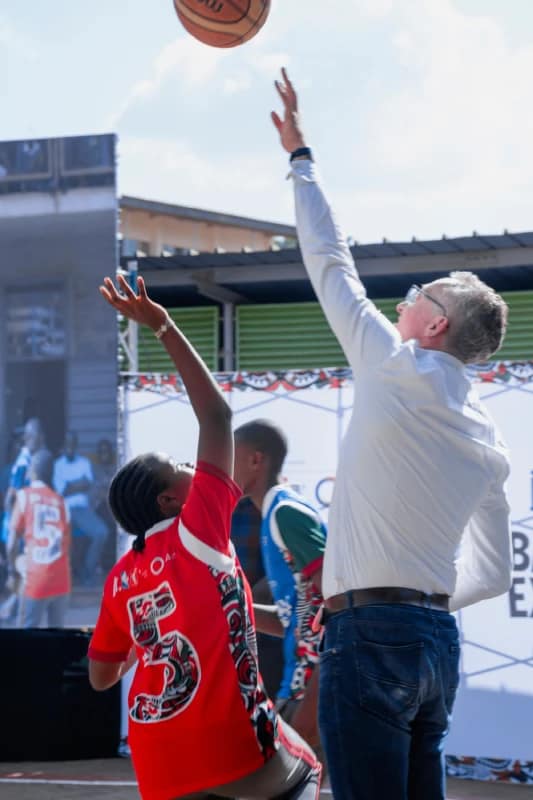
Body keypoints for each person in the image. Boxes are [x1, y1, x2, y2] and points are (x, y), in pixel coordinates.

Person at [271, 68, 512, 800]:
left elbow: (329, 259)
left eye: (419, 295)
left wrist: (299, 157)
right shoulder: (485, 435)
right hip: (437, 643)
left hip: (370, 633)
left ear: (434, 325)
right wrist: (425, 597)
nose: (405, 301)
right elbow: (496, 575)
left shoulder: (392, 364)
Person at [88, 274, 321, 800]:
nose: (196, 464)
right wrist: (164, 325)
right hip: (226, 748)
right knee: (306, 762)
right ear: (171, 500)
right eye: (181, 465)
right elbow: (216, 413)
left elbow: (101, 678)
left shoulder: (121, 578)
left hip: (157, 761)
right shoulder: (200, 526)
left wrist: (136, 644)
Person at [234, 419, 326, 751]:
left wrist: (316, 692)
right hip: (298, 686)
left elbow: (336, 598)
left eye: (231, 456)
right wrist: (230, 608)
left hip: (310, 687)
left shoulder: (285, 512)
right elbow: (294, 618)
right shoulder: (274, 512)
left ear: (256, 460)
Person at [7, 449, 71, 628]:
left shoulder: (24, 496)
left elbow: (11, 543)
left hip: (36, 578)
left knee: (28, 640)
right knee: (58, 641)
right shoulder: (62, 502)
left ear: (34, 471)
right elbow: (67, 546)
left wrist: (13, 573)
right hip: (61, 580)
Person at [53, 431, 108, 586]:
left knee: (101, 532)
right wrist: (80, 484)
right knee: (60, 541)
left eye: (72, 444)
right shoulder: (58, 465)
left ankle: (87, 571)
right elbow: (62, 491)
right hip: (64, 510)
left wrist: (72, 485)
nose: (69, 447)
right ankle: (64, 576)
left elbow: (89, 486)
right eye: (67, 444)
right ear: (63, 446)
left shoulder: (84, 463)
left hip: (83, 510)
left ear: (76, 445)